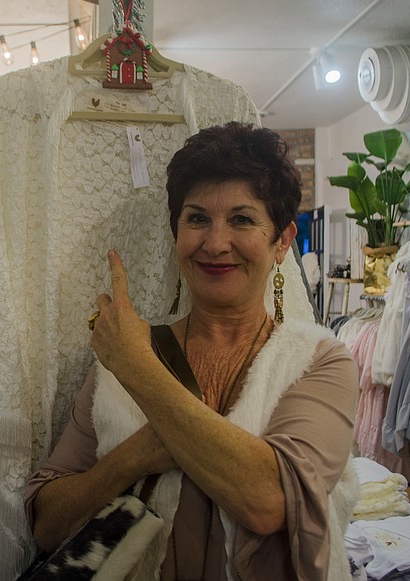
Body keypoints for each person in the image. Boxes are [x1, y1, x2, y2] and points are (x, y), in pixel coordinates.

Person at [23, 122, 359, 580]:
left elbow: (269, 502)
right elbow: (46, 524)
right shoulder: (116, 366)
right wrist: (134, 456)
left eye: (242, 219)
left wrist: (136, 367)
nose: (215, 243)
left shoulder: (320, 362)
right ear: (176, 233)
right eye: (197, 218)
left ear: (282, 240)